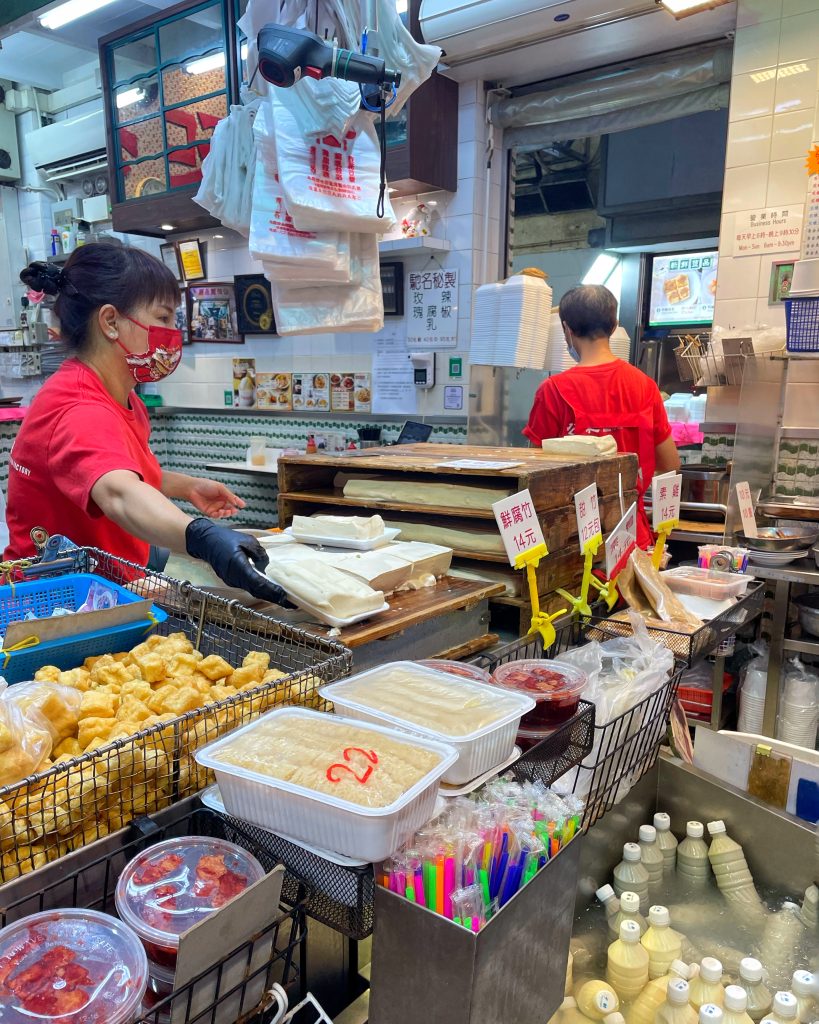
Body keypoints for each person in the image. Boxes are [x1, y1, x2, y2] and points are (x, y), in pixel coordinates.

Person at [6, 241, 287, 605]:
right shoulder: (78, 406)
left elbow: (111, 470)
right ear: (110, 322)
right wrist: (205, 538)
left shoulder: (121, 398)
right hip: (49, 607)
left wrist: (186, 486)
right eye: (163, 318)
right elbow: (119, 492)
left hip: (96, 593)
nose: (174, 333)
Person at [524, 284, 680, 549]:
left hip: (575, 543)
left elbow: (533, 476)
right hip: (632, 537)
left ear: (566, 329)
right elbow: (671, 464)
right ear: (614, 325)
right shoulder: (645, 386)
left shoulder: (553, 390)